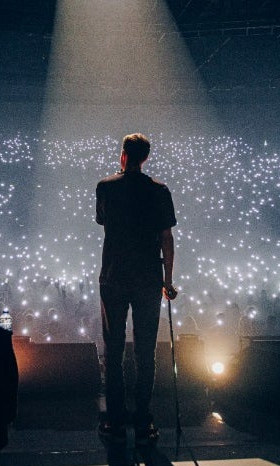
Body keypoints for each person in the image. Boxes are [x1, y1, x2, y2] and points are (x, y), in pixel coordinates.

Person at [96, 133, 177, 446]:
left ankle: (115, 422)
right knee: (146, 352)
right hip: (147, 278)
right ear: (145, 158)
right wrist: (167, 280)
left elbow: (104, 221)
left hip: (114, 277)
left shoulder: (105, 187)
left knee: (113, 351)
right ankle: (144, 421)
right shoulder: (159, 191)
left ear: (123, 155)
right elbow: (166, 238)